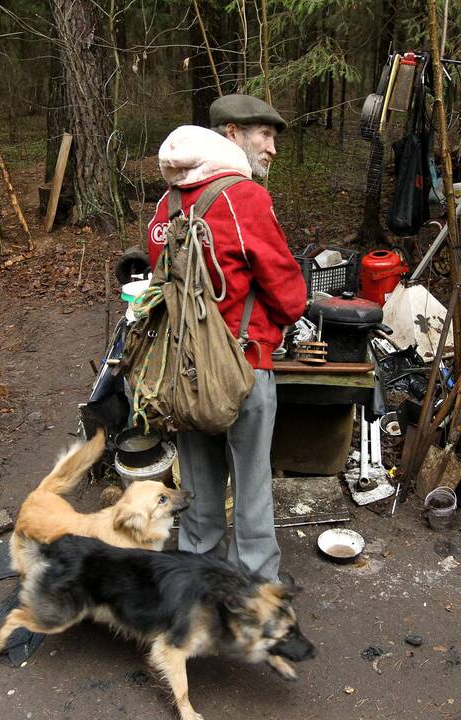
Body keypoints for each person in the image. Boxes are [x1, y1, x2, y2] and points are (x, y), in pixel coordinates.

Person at [145, 95, 306, 581]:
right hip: (243, 366)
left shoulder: (168, 201)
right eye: (265, 134)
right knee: (252, 481)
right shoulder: (246, 197)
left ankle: (194, 581)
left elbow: (157, 283)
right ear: (231, 134)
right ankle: (254, 590)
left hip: (183, 370)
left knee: (197, 484)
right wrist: (273, 326)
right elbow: (289, 293)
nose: (272, 147)